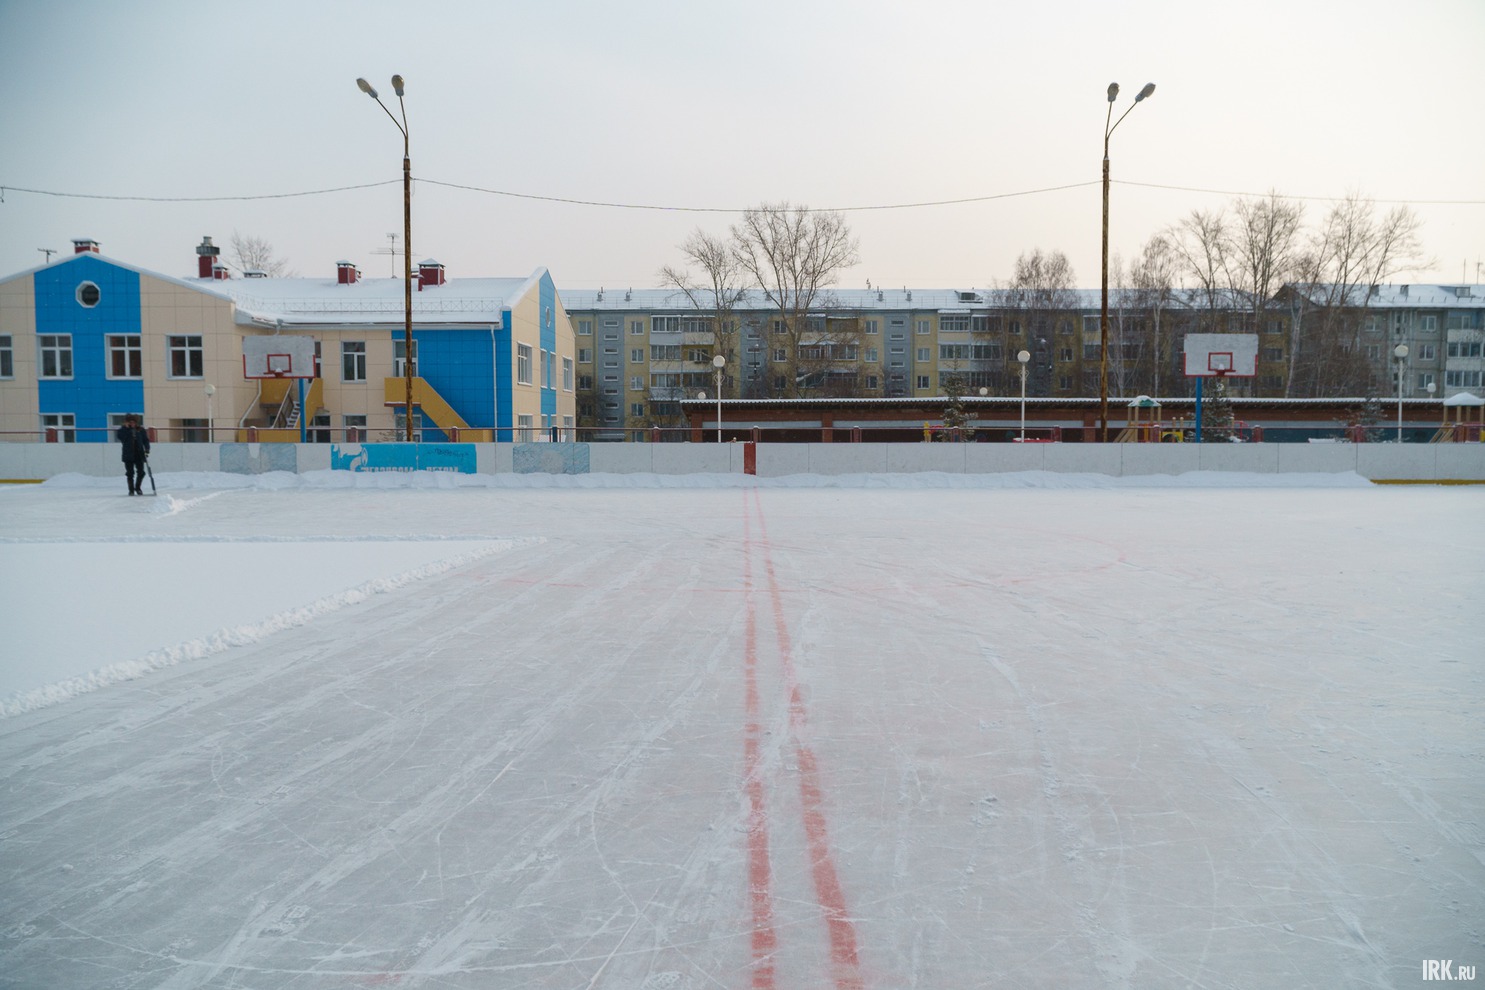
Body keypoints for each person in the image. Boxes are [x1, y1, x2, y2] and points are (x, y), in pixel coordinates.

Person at [116, 414, 151, 495]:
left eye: (133, 422)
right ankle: (131, 490)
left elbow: (145, 440)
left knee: (141, 472)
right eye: (130, 422)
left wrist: (147, 449)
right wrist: (127, 429)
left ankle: (137, 488)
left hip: (139, 454)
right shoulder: (122, 430)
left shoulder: (140, 430)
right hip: (128, 454)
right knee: (130, 473)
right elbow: (121, 438)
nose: (132, 424)